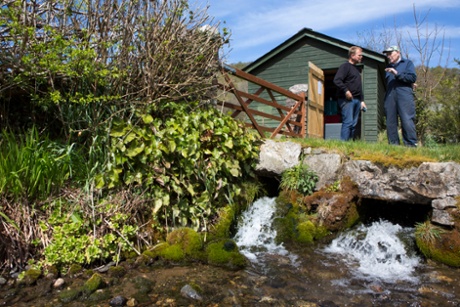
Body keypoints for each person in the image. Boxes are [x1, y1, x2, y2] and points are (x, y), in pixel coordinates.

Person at [382, 46, 417, 147]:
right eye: (387, 54)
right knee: (390, 122)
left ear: (398, 52)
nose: (388, 56)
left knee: (407, 119)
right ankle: (394, 146)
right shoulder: (387, 67)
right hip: (390, 96)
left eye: (390, 53)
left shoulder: (407, 63)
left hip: (404, 95)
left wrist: (396, 73)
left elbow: (412, 77)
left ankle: (411, 145)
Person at [333, 46, 367, 141]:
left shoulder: (356, 70)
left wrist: (362, 101)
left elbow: (359, 87)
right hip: (346, 100)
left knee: (353, 125)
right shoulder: (345, 66)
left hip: (356, 100)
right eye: (359, 55)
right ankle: (343, 145)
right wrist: (346, 91)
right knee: (348, 122)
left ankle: (350, 145)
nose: (361, 57)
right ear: (352, 55)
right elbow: (337, 80)